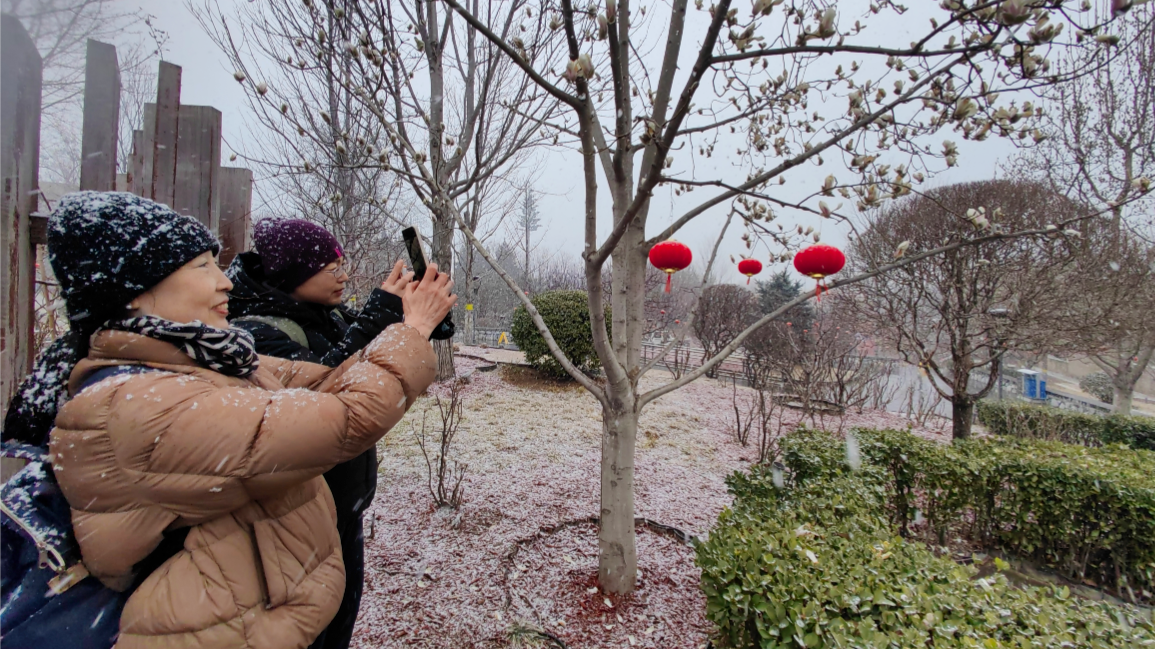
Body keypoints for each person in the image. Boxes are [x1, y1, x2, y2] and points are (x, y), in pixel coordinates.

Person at [2, 192, 456, 649]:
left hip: (265, 604)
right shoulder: (138, 403)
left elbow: (325, 384)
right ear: (135, 289)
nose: (225, 282)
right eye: (202, 267)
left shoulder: (206, 361)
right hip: (220, 628)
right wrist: (411, 331)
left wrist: (403, 320)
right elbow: (342, 417)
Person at [225, 219, 452, 649]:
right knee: (312, 632)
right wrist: (392, 316)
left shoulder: (322, 315)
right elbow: (328, 392)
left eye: (342, 264)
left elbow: (379, 350)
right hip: (292, 526)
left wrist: (418, 314)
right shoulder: (252, 333)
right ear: (293, 274)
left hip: (340, 513)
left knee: (340, 625)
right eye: (331, 268)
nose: (343, 275)